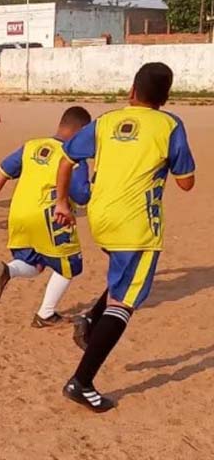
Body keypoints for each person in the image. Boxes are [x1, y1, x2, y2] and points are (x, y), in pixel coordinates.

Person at [54, 62, 195, 413]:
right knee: (125, 302)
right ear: (166, 97)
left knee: (124, 275)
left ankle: (88, 318)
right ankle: (81, 381)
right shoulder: (170, 124)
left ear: (131, 90)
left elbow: (67, 157)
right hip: (137, 228)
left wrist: (61, 200)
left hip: (101, 220)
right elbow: (186, 181)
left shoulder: (105, 121)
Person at [0, 106, 93, 327]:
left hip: (18, 213)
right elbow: (81, 195)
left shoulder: (32, 145)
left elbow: (6, 166)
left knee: (34, 263)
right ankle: (46, 314)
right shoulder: (73, 155)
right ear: (82, 131)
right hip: (50, 217)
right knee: (69, 267)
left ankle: (9, 270)